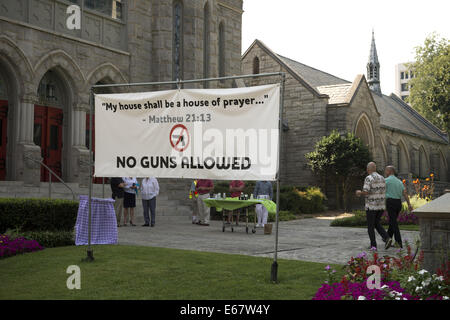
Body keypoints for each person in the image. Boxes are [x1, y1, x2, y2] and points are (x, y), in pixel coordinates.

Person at [356, 162, 392, 250]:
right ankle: (387, 238)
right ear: (375, 169)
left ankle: (374, 245)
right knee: (376, 223)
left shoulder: (369, 178)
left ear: (368, 170)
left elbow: (366, 191)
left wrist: (359, 192)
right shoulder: (382, 178)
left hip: (371, 206)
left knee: (370, 226)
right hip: (381, 206)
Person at [384, 166, 413, 248]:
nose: (385, 172)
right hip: (398, 203)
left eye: (386, 170)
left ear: (389, 171)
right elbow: (405, 193)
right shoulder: (399, 182)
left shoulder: (386, 180)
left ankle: (398, 242)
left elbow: (381, 191)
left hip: (391, 202)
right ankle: (387, 238)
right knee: (392, 222)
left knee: (394, 223)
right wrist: (409, 204)